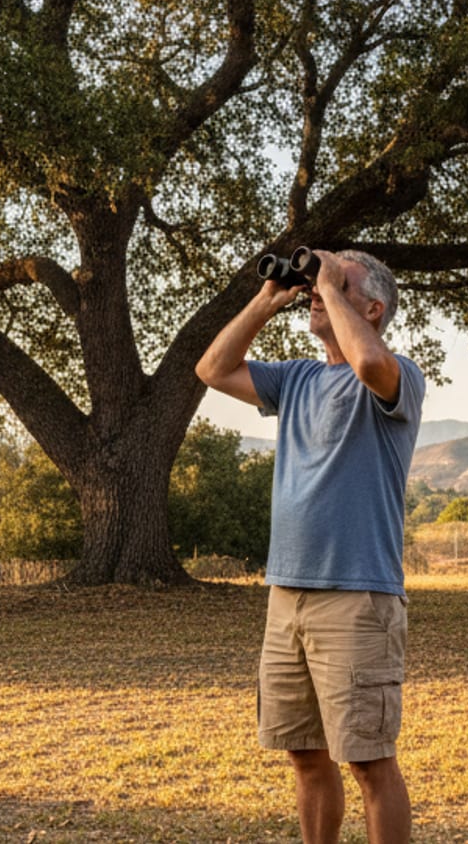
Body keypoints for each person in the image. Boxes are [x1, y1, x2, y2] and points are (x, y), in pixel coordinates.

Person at [195, 248, 424, 844]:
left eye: (337, 283)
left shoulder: (397, 375)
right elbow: (213, 369)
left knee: (369, 760)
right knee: (304, 755)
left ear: (372, 308)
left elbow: (369, 360)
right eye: (317, 280)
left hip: (357, 597)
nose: (318, 289)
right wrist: (266, 301)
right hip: (286, 596)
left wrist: (327, 277)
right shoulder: (296, 377)